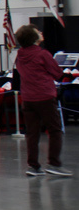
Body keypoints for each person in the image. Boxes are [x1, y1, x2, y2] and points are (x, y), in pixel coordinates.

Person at [12, 24, 72, 177]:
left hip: (28, 97)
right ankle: (54, 163)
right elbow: (57, 73)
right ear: (33, 38)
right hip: (44, 96)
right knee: (55, 129)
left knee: (32, 133)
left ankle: (33, 166)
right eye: (37, 31)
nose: (40, 32)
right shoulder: (43, 54)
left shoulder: (20, 55)